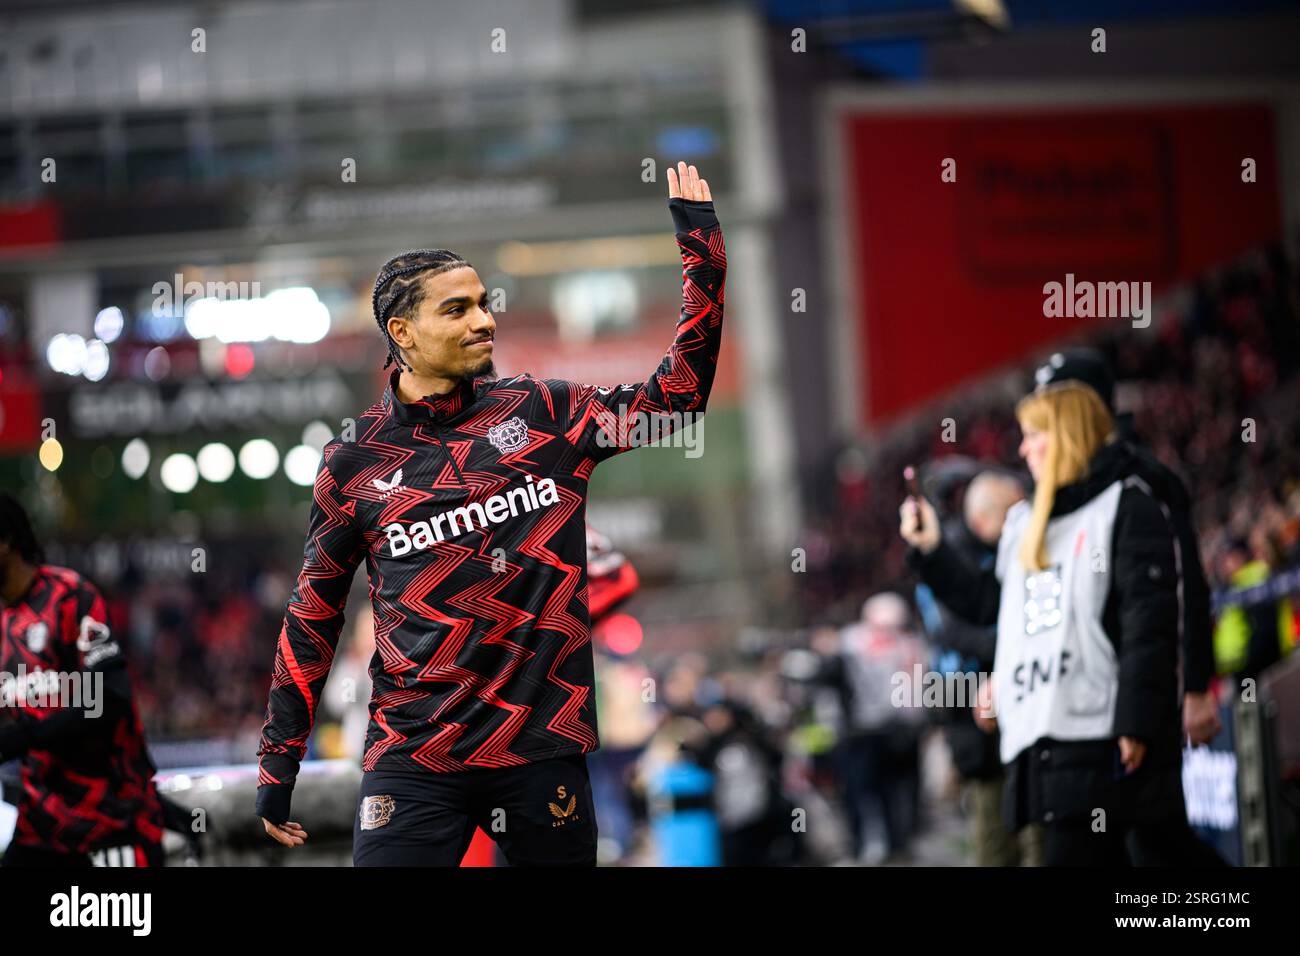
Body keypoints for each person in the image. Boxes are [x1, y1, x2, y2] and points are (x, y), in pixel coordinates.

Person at [255, 162, 725, 866]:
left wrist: (704, 254)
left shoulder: (547, 414)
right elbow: (312, 619)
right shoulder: (352, 461)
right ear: (401, 332)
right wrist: (277, 767)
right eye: (457, 309)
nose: (485, 319)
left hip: (541, 750)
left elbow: (676, 399)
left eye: (483, 302)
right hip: (412, 759)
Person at [900, 381, 1206, 866]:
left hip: (1101, 735)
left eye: (1034, 434)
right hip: (1047, 741)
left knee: (1158, 855)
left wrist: (1136, 719)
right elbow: (994, 606)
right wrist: (932, 550)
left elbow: (1147, 626)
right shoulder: (1028, 525)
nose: (1022, 449)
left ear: (1066, 434)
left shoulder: (1124, 507)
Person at [1033, 349, 1221, 745]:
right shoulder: (1053, 497)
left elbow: (1185, 584)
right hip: (1080, 710)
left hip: (1140, 705)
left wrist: (1196, 686)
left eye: (1053, 408)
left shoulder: (1144, 481)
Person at [0, 493, 165, 867]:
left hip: (110, 824)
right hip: (39, 826)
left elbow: (111, 695)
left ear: (6, 541)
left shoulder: (68, 597)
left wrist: (23, 738)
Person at [913, 470, 1042, 866]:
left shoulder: (980, 551)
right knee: (996, 818)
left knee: (1019, 817)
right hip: (971, 702)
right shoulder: (951, 558)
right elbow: (955, 633)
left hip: (983, 697)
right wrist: (1021, 650)